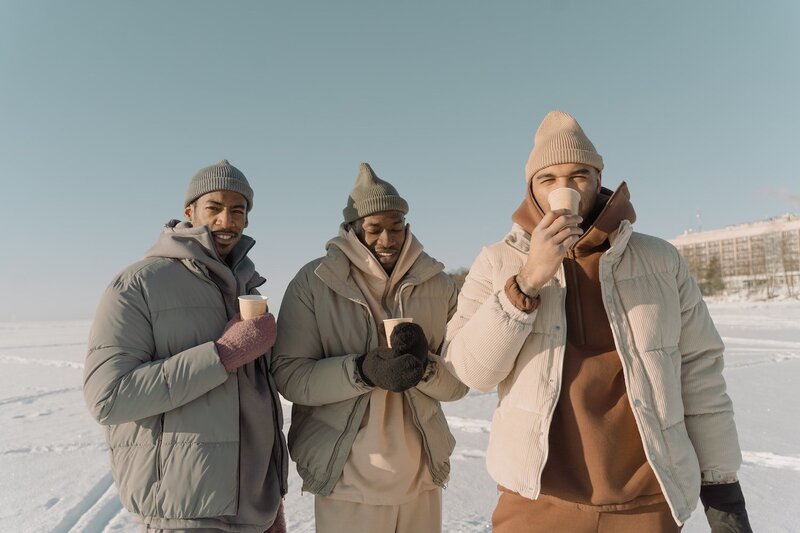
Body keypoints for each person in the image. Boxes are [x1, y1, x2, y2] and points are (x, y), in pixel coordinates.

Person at [443, 111, 752, 532]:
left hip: (647, 503)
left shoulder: (660, 260)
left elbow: (699, 372)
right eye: (547, 179)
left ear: (599, 178)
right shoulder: (497, 262)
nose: (564, 189)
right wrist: (528, 279)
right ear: (531, 189)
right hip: (537, 503)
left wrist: (722, 488)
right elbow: (469, 371)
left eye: (579, 176)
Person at [83, 160, 288, 533]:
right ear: (190, 211)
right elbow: (108, 397)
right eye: (215, 207)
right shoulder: (140, 284)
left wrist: (271, 500)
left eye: (238, 210)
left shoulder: (248, 289)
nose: (227, 220)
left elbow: (257, 400)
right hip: (185, 512)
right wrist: (223, 355)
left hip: (254, 511)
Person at [271, 163, 468, 533]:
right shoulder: (313, 283)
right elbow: (289, 376)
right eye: (374, 229)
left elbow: (462, 378)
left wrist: (424, 369)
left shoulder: (437, 285)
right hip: (346, 481)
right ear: (352, 229)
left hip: (422, 477)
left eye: (396, 228)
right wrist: (361, 370)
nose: (388, 239)